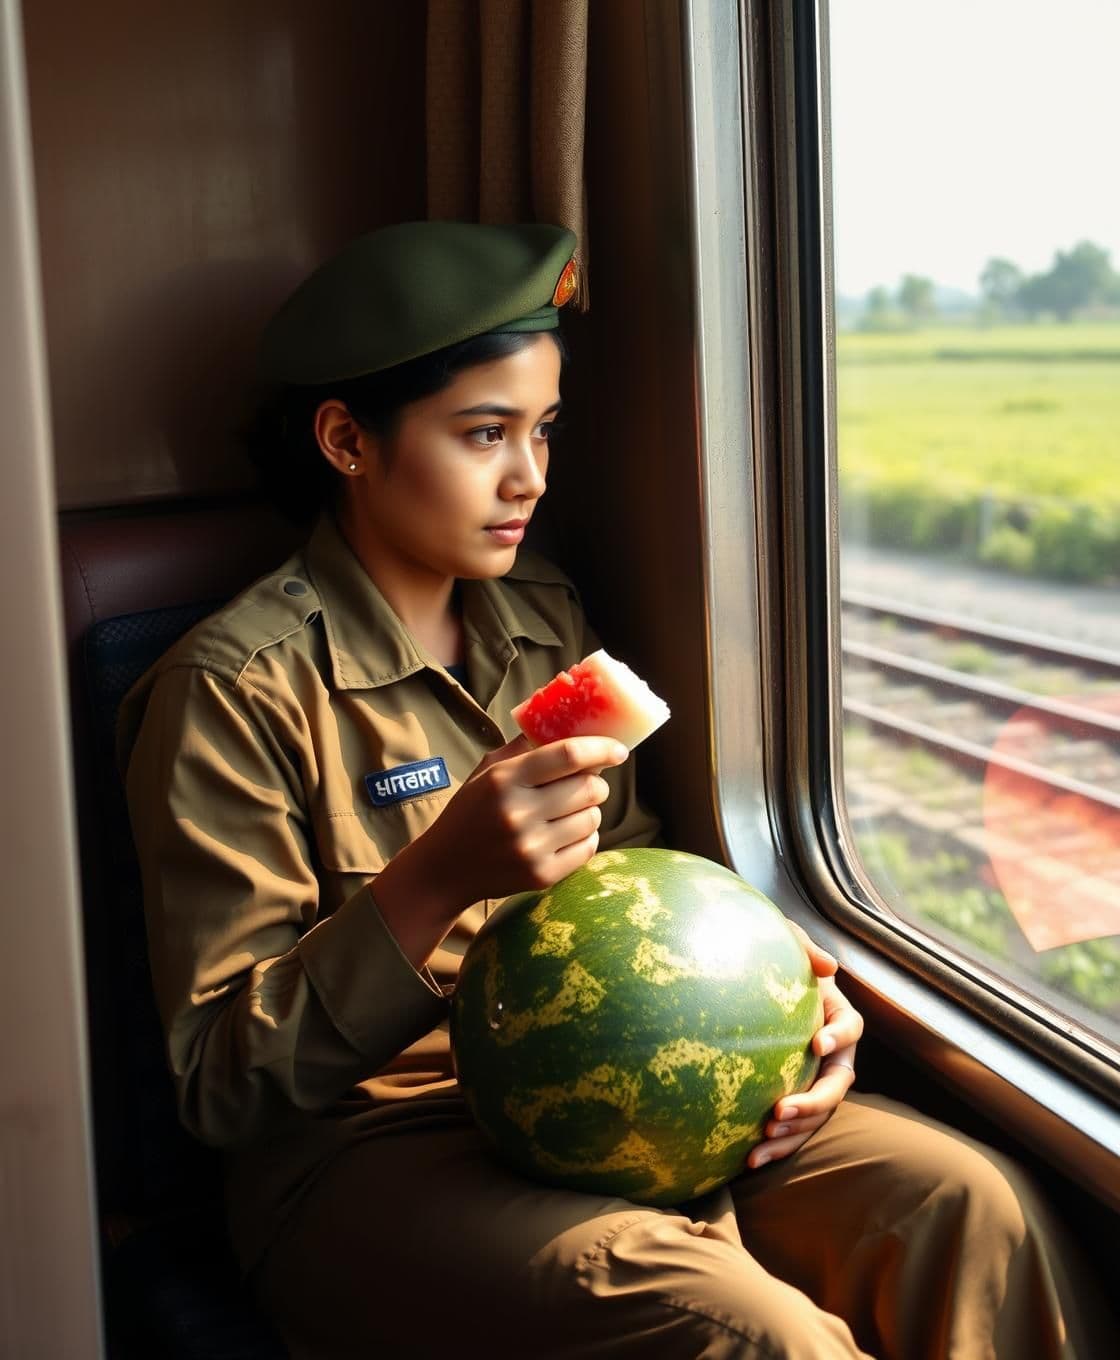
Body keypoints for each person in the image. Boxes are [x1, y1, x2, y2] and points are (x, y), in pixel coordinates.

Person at [120, 221, 1106, 1359]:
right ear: (347, 439)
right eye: (482, 434)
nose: (529, 475)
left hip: (611, 1092)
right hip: (367, 1154)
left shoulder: (546, 620)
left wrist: (793, 1007)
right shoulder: (229, 694)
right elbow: (221, 1084)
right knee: (748, 1335)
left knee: (968, 1203)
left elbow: (646, 902)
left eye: (542, 430)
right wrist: (433, 878)